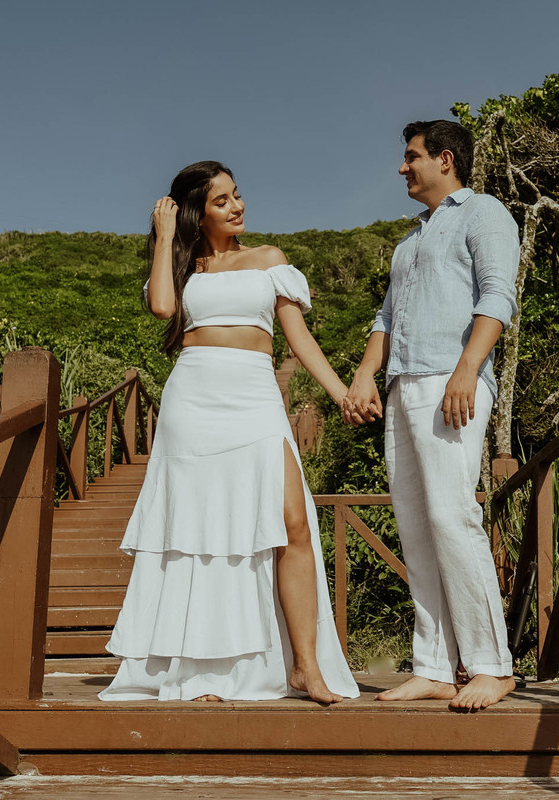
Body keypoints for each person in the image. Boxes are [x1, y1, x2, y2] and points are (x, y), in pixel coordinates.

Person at [99, 161, 359, 704]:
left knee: (292, 522)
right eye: (222, 201)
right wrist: (166, 236)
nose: (237, 206)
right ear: (199, 211)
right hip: (193, 398)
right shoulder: (182, 266)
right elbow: (163, 307)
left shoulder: (270, 260)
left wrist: (341, 395)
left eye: (237, 195)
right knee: (199, 535)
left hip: (255, 395)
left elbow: (299, 340)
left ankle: (306, 667)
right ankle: (205, 673)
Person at [345, 120, 520, 710]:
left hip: (454, 383)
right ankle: (436, 666)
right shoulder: (409, 241)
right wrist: (366, 372)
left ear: (445, 160)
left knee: (451, 517)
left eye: (411, 157)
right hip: (402, 387)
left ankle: (492, 665)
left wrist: (468, 368)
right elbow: (386, 318)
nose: (402, 168)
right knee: (417, 529)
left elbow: (497, 295)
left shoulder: (484, 212)